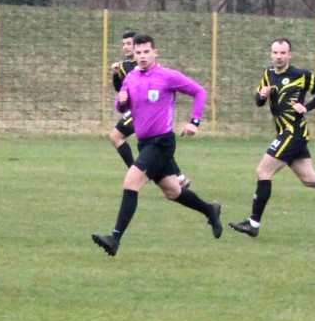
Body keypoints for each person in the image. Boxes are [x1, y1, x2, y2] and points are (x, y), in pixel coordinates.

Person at [91, 34, 222, 256]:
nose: (142, 56)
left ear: (155, 53)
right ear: (134, 55)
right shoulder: (131, 77)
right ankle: (210, 210)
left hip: (162, 143)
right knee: (173, 191)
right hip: (144, 144)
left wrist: (195, 122)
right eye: (138, 53)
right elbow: (121, 107)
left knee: (131, 182)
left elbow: (199, 91)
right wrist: (121, 102)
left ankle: (114, 239)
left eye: (146, 52)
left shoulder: (167, 76)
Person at [229, 38, 315, 237]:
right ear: (271, 54)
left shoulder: (301, 75)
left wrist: (306, 107)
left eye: (282, 53)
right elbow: (259, 102)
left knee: (263, 171)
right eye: (275, 53)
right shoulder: (268, 74)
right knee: (310, 179)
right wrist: (261, 96)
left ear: (290, 55)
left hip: (293, 133)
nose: (278, 57)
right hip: (285, 132)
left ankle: (253, 224)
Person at [108, 30, 189, 187]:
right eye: (123, 44)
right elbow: (120, 89)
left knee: (119, 136)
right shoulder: (124, 66)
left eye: (129, 44)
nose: (125, 47)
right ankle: (178, 176)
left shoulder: (145, 66)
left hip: (145, 112)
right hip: (135, 110)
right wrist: (115, 74)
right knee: (154, 143)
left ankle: (137, 172)